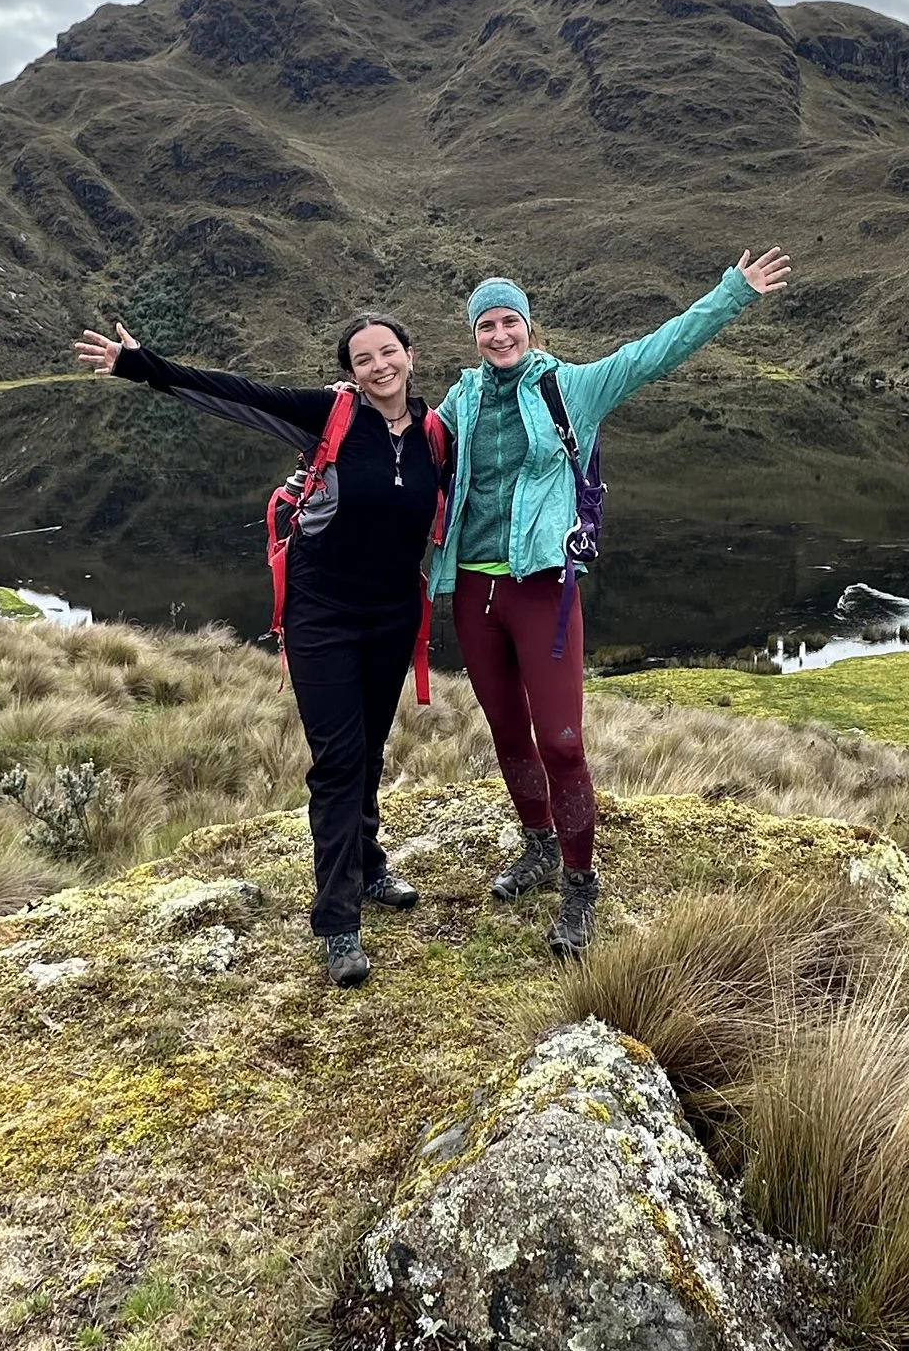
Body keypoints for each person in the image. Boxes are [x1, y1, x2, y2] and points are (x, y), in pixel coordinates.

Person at [73, 308, 447, 989]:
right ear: (351, 372)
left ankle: (366, 866)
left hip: (393, 615)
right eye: (363, 359)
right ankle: (337, 921)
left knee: (368, 748)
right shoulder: (328, 417)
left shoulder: (434, 433)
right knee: (337, 761)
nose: (379, 366)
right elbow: (237, 393)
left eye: (388, 352)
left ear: (410, 356)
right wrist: (142, 365)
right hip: (322, 614)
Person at [432, 250, 791, 956]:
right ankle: (537, 845)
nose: (498, 335)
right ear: (473, 335)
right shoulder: (461, 400)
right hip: (474, 591)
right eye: (486, 325)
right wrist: (346, 410)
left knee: (561, 742)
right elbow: (413, 444)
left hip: (544, 588)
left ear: (530, 327)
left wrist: (731, 293)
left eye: (509, 322)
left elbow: (656, 351)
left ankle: (579, 882)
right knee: (507, 735)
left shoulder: (575, 387)